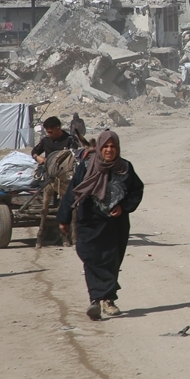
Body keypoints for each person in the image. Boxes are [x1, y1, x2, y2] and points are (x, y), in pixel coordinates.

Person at [57, 131, 144, 321]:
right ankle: (96, 298)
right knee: (91, 258)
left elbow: (136, 190)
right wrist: (63, 219)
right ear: (99, 148)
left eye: (113, 147)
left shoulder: (125, 168)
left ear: (117, 148)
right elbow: (73, 192)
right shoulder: (86, 167)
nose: (109, 150)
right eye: (106, 146)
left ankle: (107, 300)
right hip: (89, 221)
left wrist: (123, 206)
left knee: (111, 261)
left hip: (115, 224)